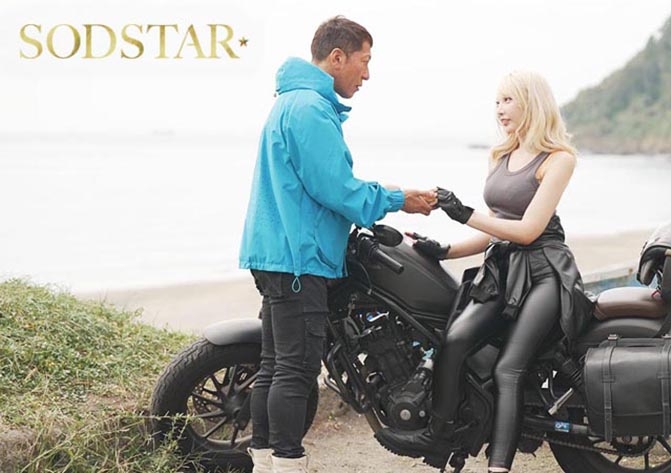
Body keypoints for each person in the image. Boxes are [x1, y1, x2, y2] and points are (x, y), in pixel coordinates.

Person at [238, 16, 436, 473]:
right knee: (295, 370)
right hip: (298, 259)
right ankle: (287, 463)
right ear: (337, 57)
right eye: (364, 61)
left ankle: (264, 462)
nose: (367, 74)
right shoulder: (310, 108)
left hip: (277, 253)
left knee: (274, 365)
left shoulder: (292, 101)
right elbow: (337, 189)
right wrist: (399, 199)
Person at [375, 71, 593, 473]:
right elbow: (497, 227)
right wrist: (445, 249)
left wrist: (464, 214)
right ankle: (437, 436)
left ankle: (498, 468)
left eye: (508, 100)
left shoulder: (559, 159)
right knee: (455, 339)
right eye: (497, 102)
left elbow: (527, 230)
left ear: (532, 102)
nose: (499, 110)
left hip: (544, 272)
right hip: (502, 271)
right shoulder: (500, 156)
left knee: (509, 368)